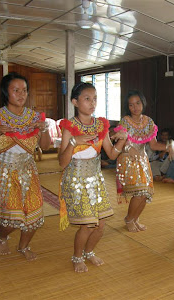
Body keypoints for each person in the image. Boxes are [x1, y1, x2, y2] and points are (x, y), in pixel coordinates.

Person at [58, 82, 127, 273]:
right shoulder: (69, 127)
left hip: (95, 180)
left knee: (101, 224)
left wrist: (122, 138)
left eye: (95, 98)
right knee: (88, 224)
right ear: (75, 101)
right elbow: (62, 163)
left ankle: (89, 252)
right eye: (87, 98)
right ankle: (77, 256)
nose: (92, 102)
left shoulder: (100, 125)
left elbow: (112, 155)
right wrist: (74, 141)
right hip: (75, 180)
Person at [0, 72, 51, 261]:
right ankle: (2, 236)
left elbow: (45, 146)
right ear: (6, 92)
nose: (21, 94)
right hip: (5, 172)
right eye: (16, 90)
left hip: (29, 172)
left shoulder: (35, 117)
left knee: (34, 217)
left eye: (24, 90)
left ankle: (23, 246)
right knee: (12, 218)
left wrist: (44, 129)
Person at [115, 90, 174, 233]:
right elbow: (120, 142)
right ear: (127, 107)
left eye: (138, 103)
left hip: (142, 158)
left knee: (146, 192)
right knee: (140, 192)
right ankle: (129, 219)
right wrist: (129, 147)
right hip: (128, 159)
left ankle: (135, 219)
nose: (135, 107)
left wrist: (169, 145)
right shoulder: (125, 121)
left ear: (143, 103)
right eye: (131, 105)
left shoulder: (149, 122)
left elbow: (153, 146)